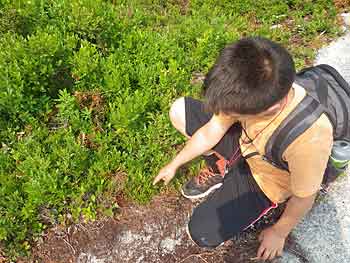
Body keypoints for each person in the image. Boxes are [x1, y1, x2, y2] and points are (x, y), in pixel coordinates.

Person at [153, 37, 333, 261]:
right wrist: (174, 164)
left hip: (265, 179)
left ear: (271, 109)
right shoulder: (251, 88)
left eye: (236, 114)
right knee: (179, 110)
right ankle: (221, 169)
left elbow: (304, 197)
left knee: (202, 233)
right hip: (246, 145)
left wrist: (279, 232)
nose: (227, 114)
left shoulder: (309, 137)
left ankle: (250, 196)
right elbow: (212, 130)